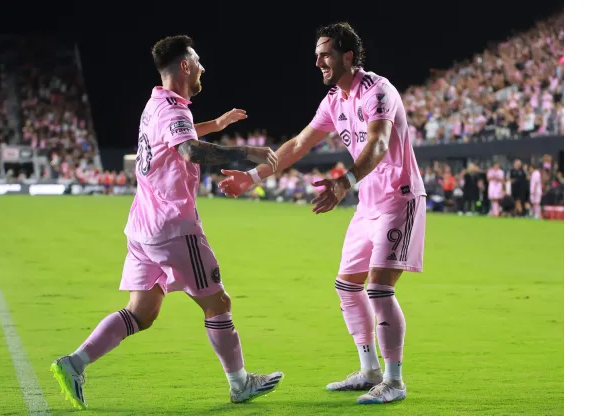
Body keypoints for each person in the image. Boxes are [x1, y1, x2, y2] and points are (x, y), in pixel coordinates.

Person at [50, 35, 284, 410]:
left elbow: (180, 134)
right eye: (199, 61)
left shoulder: (156, 102)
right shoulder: (174, 110)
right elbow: (188, 149)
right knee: (217, 302)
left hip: (142, 227)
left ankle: (74, 363)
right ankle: (240, 384)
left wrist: (217, 123)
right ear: (186, 66)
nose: (204, 68)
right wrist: (248, 153)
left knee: (142, 312)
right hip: (173, 225)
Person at [219, 22, 426, 405]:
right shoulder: (334, 100)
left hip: (399, 199)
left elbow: (379, 143)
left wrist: (344, 181)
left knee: (379, 289)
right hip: (368, 204)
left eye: (325, 54)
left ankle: (395, 381)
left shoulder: (377, 91)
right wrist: (252, 176)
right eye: (317, 55)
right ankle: (369, 371)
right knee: (347, 287)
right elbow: (298, 144)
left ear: (348, 56)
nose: (318, 61)